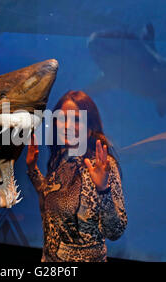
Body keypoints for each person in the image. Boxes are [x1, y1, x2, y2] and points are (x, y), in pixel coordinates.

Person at [26, 90, 127, 262]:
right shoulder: (61, 157)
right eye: (63, 119)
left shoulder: (102, 165)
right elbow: (50, 198)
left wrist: (104, 190)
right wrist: (32, 168)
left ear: (90, 128)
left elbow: (115, 231)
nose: (67, 126)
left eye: (77, 120)